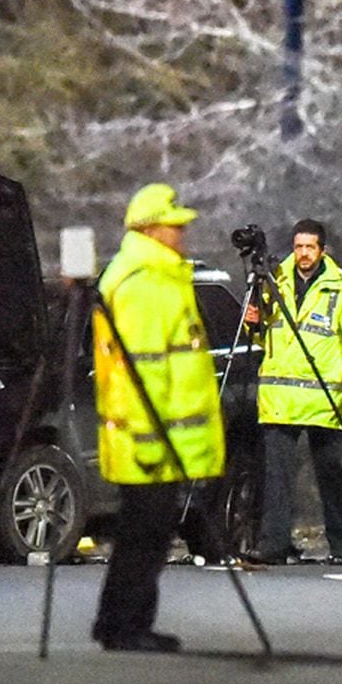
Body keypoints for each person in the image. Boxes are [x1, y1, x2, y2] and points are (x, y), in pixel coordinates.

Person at [91, 183, 225, 652]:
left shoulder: (151, 276)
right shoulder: (146, 283)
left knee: (143, 534)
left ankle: (120, 621)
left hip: (155, 438)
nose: (182, 233)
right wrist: (152, 444)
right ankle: (126, 625)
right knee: (144, 537)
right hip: (152, 441)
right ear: (151, 229)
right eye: (175, 225)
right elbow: (143, 372)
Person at [243, 219, 342, 564]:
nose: (303, 253)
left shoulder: (341, 288)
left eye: (310, 247)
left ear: (322, 249)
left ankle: (339, 544)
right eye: (298, 246)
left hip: (324, 399)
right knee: (277, 480)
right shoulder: (274, 281)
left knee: (330, 477)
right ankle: (273, 545)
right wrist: (252, 324)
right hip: (280, 398)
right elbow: (264, 340)